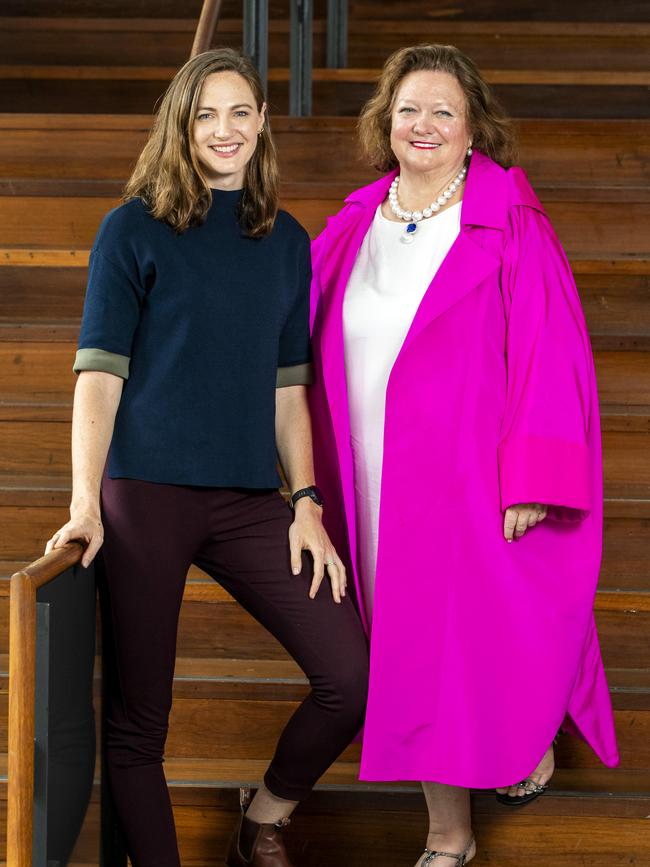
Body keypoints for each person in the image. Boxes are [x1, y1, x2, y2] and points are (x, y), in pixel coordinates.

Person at [45, 47, 369, 867]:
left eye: (239, 113)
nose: (224, 130)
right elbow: (98, 378)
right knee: (136, 726)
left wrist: (306, 502)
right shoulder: (133, 227)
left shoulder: (286, 239)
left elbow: (287, 388)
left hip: (248, 498)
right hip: (144, 495)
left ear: (261, 122)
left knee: (349, 676)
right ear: (180, 128)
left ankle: (262, 813)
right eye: (204, 115)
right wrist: (87, 501)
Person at [309, 44, 619, 866]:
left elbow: (550, 351)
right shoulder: (351, 226)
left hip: (472, 475)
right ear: (386, 121)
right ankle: (465, 813)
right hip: (374, 478)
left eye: (444, 111)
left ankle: (478, 799)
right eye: (409, 109)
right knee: (416, 650)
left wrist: (533, 473)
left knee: (482, 635)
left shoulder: (508, 218)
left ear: (474, 128)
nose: (424, 125)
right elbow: (299, 347)